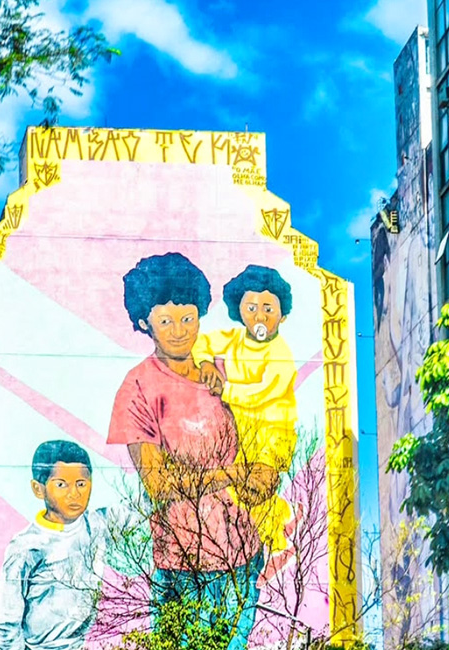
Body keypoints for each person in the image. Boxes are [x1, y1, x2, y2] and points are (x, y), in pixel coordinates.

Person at [107, 252, 276, 650]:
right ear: (144, 322)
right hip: (183, 569)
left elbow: (260, 437)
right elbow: (160, 485)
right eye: (166, 321)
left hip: (243, 560)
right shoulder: (137, 388)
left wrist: (263, 478)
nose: (180, 331)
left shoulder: (220, 371)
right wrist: (236, 475)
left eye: (189, 318)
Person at [193, 265, 299, 562]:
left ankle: (276, 535)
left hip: (273, 432)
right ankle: (267, 532)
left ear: (283, 315)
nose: (260, 316)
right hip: (241, 431)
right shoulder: (235, 338)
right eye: (251, 308)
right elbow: (203, 342)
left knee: (259, 486)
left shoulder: (281, 353)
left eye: (268, 308)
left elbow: (262, 392)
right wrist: (205, 364)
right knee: (241, 491)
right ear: (239, 310)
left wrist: (223, 390)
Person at [0, 440, 107, 650]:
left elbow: (141, 507)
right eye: (61, 484)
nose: (74, 493)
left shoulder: (97, 524)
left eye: (81, 484)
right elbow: (6, 624)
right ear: (39, 489)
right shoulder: (26, 547)